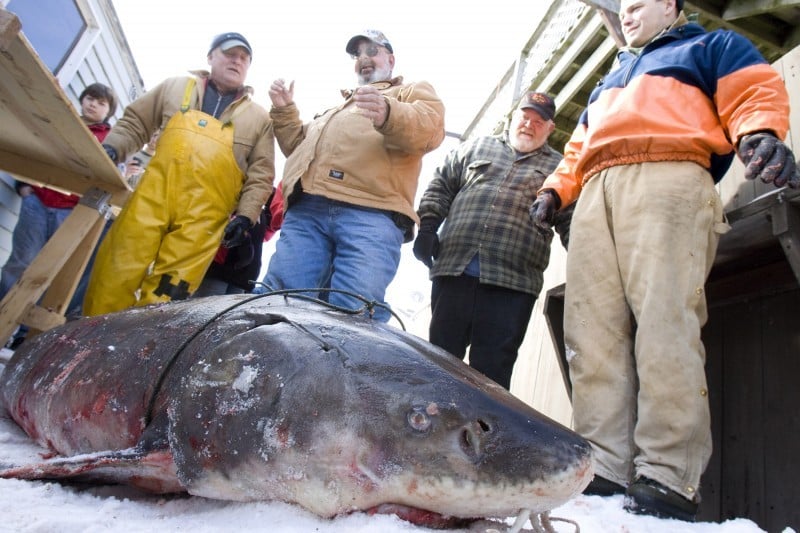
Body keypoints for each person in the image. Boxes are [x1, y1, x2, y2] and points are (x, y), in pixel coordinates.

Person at [529, 0, 799, 521]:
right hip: (595, 193)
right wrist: (555, 190)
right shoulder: (611, 76)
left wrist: (760, 132)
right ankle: (603, 465)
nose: (625, 14)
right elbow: (578, 145)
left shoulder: (709, 45)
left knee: (665, 324)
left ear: (670, 5)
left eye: (636, 5)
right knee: (591, 333)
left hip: (670, 172)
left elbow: (753, 88)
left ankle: (667, 476)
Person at [83, 32, 275, 316]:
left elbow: (262, 173)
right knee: (116, 270)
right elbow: (135, 123)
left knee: (170, 292)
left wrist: (246, 216)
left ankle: (139, 354)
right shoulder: (174, 87)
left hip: (206, 217)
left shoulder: (259, 117)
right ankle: (90, 340)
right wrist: (112, 149)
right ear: (210, 57)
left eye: (244, 58)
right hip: (153, 197)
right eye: (229, 54)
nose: (237, 61)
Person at [261, 29, 445, 322]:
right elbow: (297, 149)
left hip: (372, 216)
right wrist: (284, 112)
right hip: (308, 212)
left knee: (353, 314)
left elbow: (431, 129)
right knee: (279, 305)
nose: (363, 59)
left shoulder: (410, 92)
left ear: (391, 59)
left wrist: (389, 112)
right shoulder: (335, 110)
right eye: (357, 55)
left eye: (372, 51)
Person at [413, 92, 567, 390]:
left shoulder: (561, 170)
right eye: (525, 117)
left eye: (539, 121)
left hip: (512, 285)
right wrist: (428, 227)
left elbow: (572, 220)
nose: (529, 125)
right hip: (454, 271)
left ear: (550, 128)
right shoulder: (475, 147)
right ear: (513, 118)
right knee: (438, 363)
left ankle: (484, 436)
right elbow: (441, 185)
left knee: (492, 375)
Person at [0, 82, 117, 347]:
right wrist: (23, 185)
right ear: (82, 99)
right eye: (90, 98)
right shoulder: (63, 127)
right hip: (39, 201)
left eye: (101, 102)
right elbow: (38, 151)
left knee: (46, 273)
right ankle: (2, 313)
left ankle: (21, 336)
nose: (93, 104)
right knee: (22, 260)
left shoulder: (111, 140)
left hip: (73, 211)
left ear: (109, 110)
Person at [193, 186, 284, 296]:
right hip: (218, 269)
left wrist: (272, 201)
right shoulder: (231, 197)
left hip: (244, 276)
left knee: (229, 310)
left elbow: (268, 232)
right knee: (207, 309)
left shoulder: (260, 213)